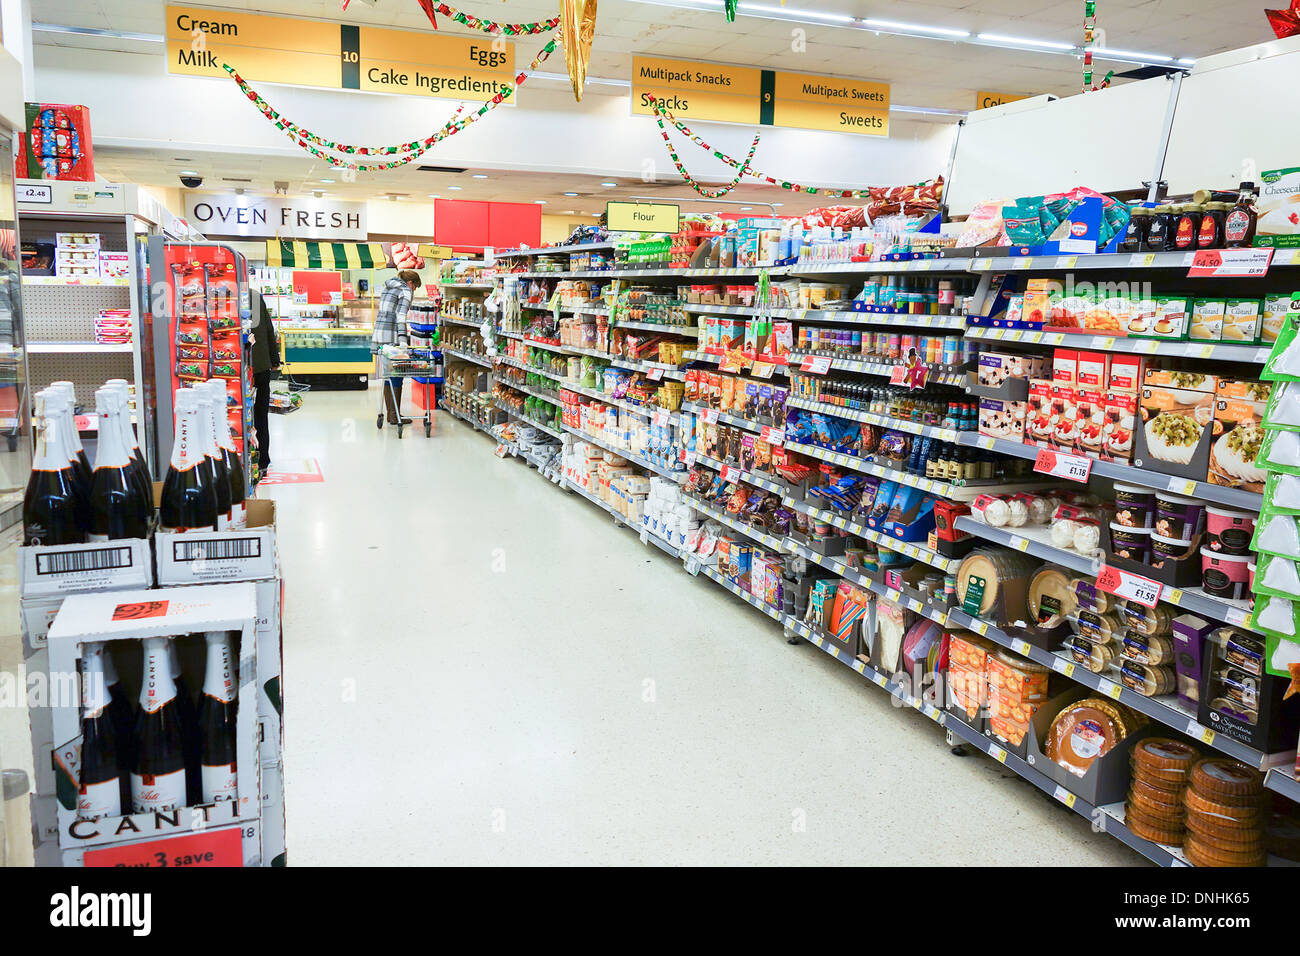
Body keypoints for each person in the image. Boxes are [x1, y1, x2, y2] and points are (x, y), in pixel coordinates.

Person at [372, 270, 422, 425]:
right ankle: (394, 416)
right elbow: (401, 316)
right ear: (411, 283)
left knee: (389, 373)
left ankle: (391, 415)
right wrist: (403, 341)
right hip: (392, 334)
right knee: (397, 373)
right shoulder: (405, 290)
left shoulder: (388, 287)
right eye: (415, 287)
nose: (413, 291)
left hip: (380, 333)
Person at [250, 290, 281, 474]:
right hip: (260, 365)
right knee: (260, 413)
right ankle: (262, 460)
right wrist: (274, 359)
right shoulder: (254, 296)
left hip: (240, 367)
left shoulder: (220, 295)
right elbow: (268, 329)